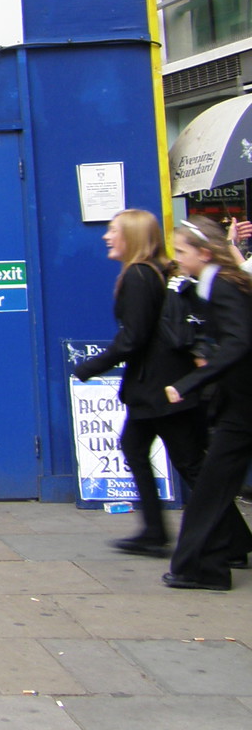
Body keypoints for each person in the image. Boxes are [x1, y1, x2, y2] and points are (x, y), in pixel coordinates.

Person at [73, 210, 207, 556]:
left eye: (113, 230)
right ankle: (153, 530)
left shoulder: (137, 276)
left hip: (160, 389)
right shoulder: (156, 272)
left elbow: (133, 338)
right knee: (136, 446)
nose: (106, 236)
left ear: (131, 237)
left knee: (189, 463)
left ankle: (230, 538)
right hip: (158, 386)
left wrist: (91, 366)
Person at [160, 216, 252, 590]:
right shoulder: (214, 285)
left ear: (204, 252)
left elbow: (239, 341)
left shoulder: (223, 287)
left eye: (182, 251)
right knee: (215, 484)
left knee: (212, 486)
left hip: (243, 406)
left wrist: (190, 382)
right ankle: (212, 560)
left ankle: (203, 567)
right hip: (239, 404)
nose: (177, 258)